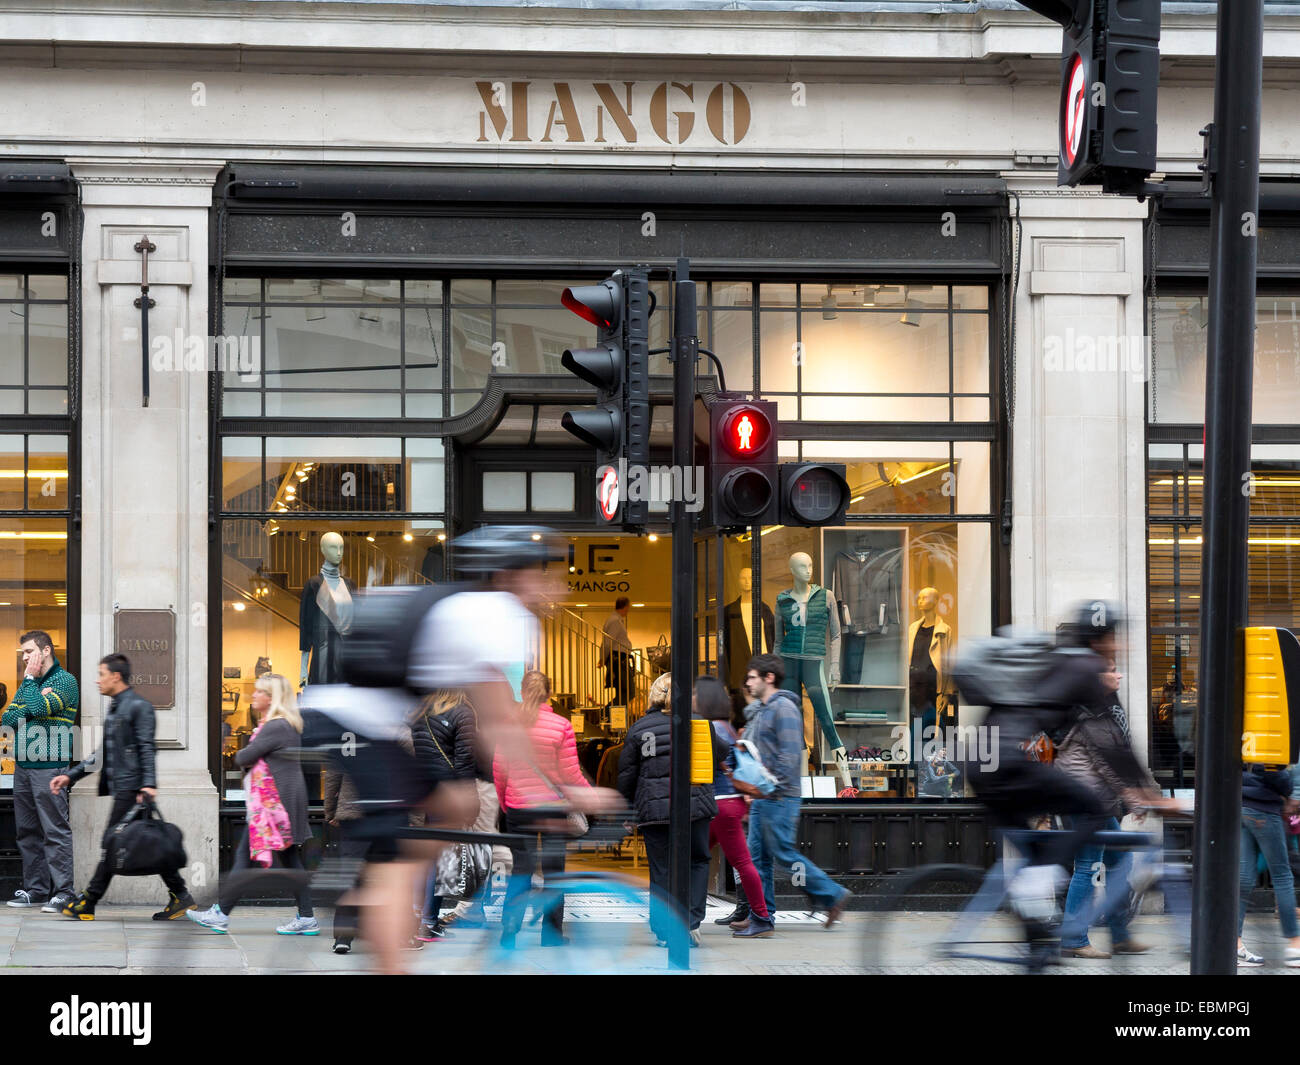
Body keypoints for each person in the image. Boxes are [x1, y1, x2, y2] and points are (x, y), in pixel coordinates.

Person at [960, 603, 1173, 933]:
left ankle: (1036, 945)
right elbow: (1111, 745)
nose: (1120, 645)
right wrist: (1149, 793)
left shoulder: (1057, 664)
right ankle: (1046, 898)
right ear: (1101, 639)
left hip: (982, 764)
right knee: (1090, 808)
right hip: (1008, 766)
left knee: (1033, 861)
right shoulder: (1086, 669)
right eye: (1116, 637)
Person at [52, 654, 196, 921]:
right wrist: (70, 777)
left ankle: (88, 902)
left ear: (115, 676)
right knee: (150, 844)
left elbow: (146, 747)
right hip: (126, 787)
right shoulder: (118, 707)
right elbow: (101, 754)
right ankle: (181, 896)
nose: (97, 680)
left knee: (113, 844)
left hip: (133, 789)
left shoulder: (139, 707)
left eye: (101, 674)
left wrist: (149, 783)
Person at [188, 673, 317, 935]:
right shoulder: (285, 724)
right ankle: (306, 917)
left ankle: (221, 914)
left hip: (273, 807)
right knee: (289, 860)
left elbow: (243, 756)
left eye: (259, 692)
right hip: (281, 802)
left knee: (245, 857)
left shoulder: (275, 727)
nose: (253, 695)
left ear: (271, 698)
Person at [1054, 644, 1160, 959]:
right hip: (1086, 801)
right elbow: (1107, 765)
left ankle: (1119, 934)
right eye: (1113, 670)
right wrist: (1135, 798)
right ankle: (1074, 940)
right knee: (1088, 865)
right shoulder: (1091, 715)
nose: (1119, 674)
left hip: (1096, 802)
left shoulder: (1100, 709)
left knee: (1119, 862)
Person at [737, 654, 851, 928]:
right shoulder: (764, 710)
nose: (748, 683)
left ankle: (833, 894)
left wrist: (767, 787)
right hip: (765, 796)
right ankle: (762, 915)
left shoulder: (784, 708)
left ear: (769, 678)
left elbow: (789, 757)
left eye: (753, 677)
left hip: (780, 796)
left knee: (784, 854)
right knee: (759, 858)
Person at [617, 673, 720, 946]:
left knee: (661, 869)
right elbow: (719, 756)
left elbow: (627, 775)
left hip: (655, 810)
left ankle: (664, 930)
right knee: (697, 861)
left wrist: (628, 812)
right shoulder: (700, 724)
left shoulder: (640, 728)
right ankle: (691, 921)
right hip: (695, 807)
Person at [493, 669, 592, 948]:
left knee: (521, 870)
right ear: (549, 694)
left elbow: (499, 770)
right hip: (553, 809)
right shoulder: (561, 725)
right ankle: (551, 934)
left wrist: (505, 802)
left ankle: (509, 933)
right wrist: (590, 798)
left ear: (521, 692)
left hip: (518, 808)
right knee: (554, 871)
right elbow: (571, 774)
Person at [2, 630, 78, 912]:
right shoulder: (29, 683)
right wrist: (32, 703)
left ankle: (64, 892)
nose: (25, 658)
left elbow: (37, 707)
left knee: (54, 830)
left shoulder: (65, 681)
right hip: (23, 765)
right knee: (27, 832)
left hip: (50, 765)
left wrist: (32, 693)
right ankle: (36, 890)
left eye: (29, 652)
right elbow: (8, 718)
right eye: (23, 653)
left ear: (46, 651)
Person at [696, 674, 773, 939]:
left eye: (696, 694)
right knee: (692, 858)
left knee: (738, 862)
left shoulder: (711, 729)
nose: (692, 698)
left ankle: (762, 918)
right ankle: (758, 916)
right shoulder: (725, 726)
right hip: (729, 804)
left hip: (719, 805)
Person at [412, 688, 480, 941]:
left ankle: (420, 917)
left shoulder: (421, 713)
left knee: (430, 857)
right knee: (441, 861)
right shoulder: (463, 712)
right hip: (450, 794)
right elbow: (465, 760)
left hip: (427, 793)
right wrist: (470, 801)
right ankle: (427, 921)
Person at [1236, 764, 1300, 967]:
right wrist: (1288, 785)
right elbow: (1274, 773)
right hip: (1264, 809)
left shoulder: (1236, 734)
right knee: (1282, 876)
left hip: (1241, 806)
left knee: (1244, 878)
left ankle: (1234, 944)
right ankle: (1295, 946)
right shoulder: (1264, 734)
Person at [601, 597, 634, 705]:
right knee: (629, 692)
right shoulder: (615, 621)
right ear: (624, 607)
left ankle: (611, 716)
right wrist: (603, 658)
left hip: (618, 659)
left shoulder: (616, 620)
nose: (628, 610)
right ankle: (605, 713)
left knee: (623, 692)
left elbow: (607, 642)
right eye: (628, 607)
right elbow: (608, 642)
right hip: (619, 659)